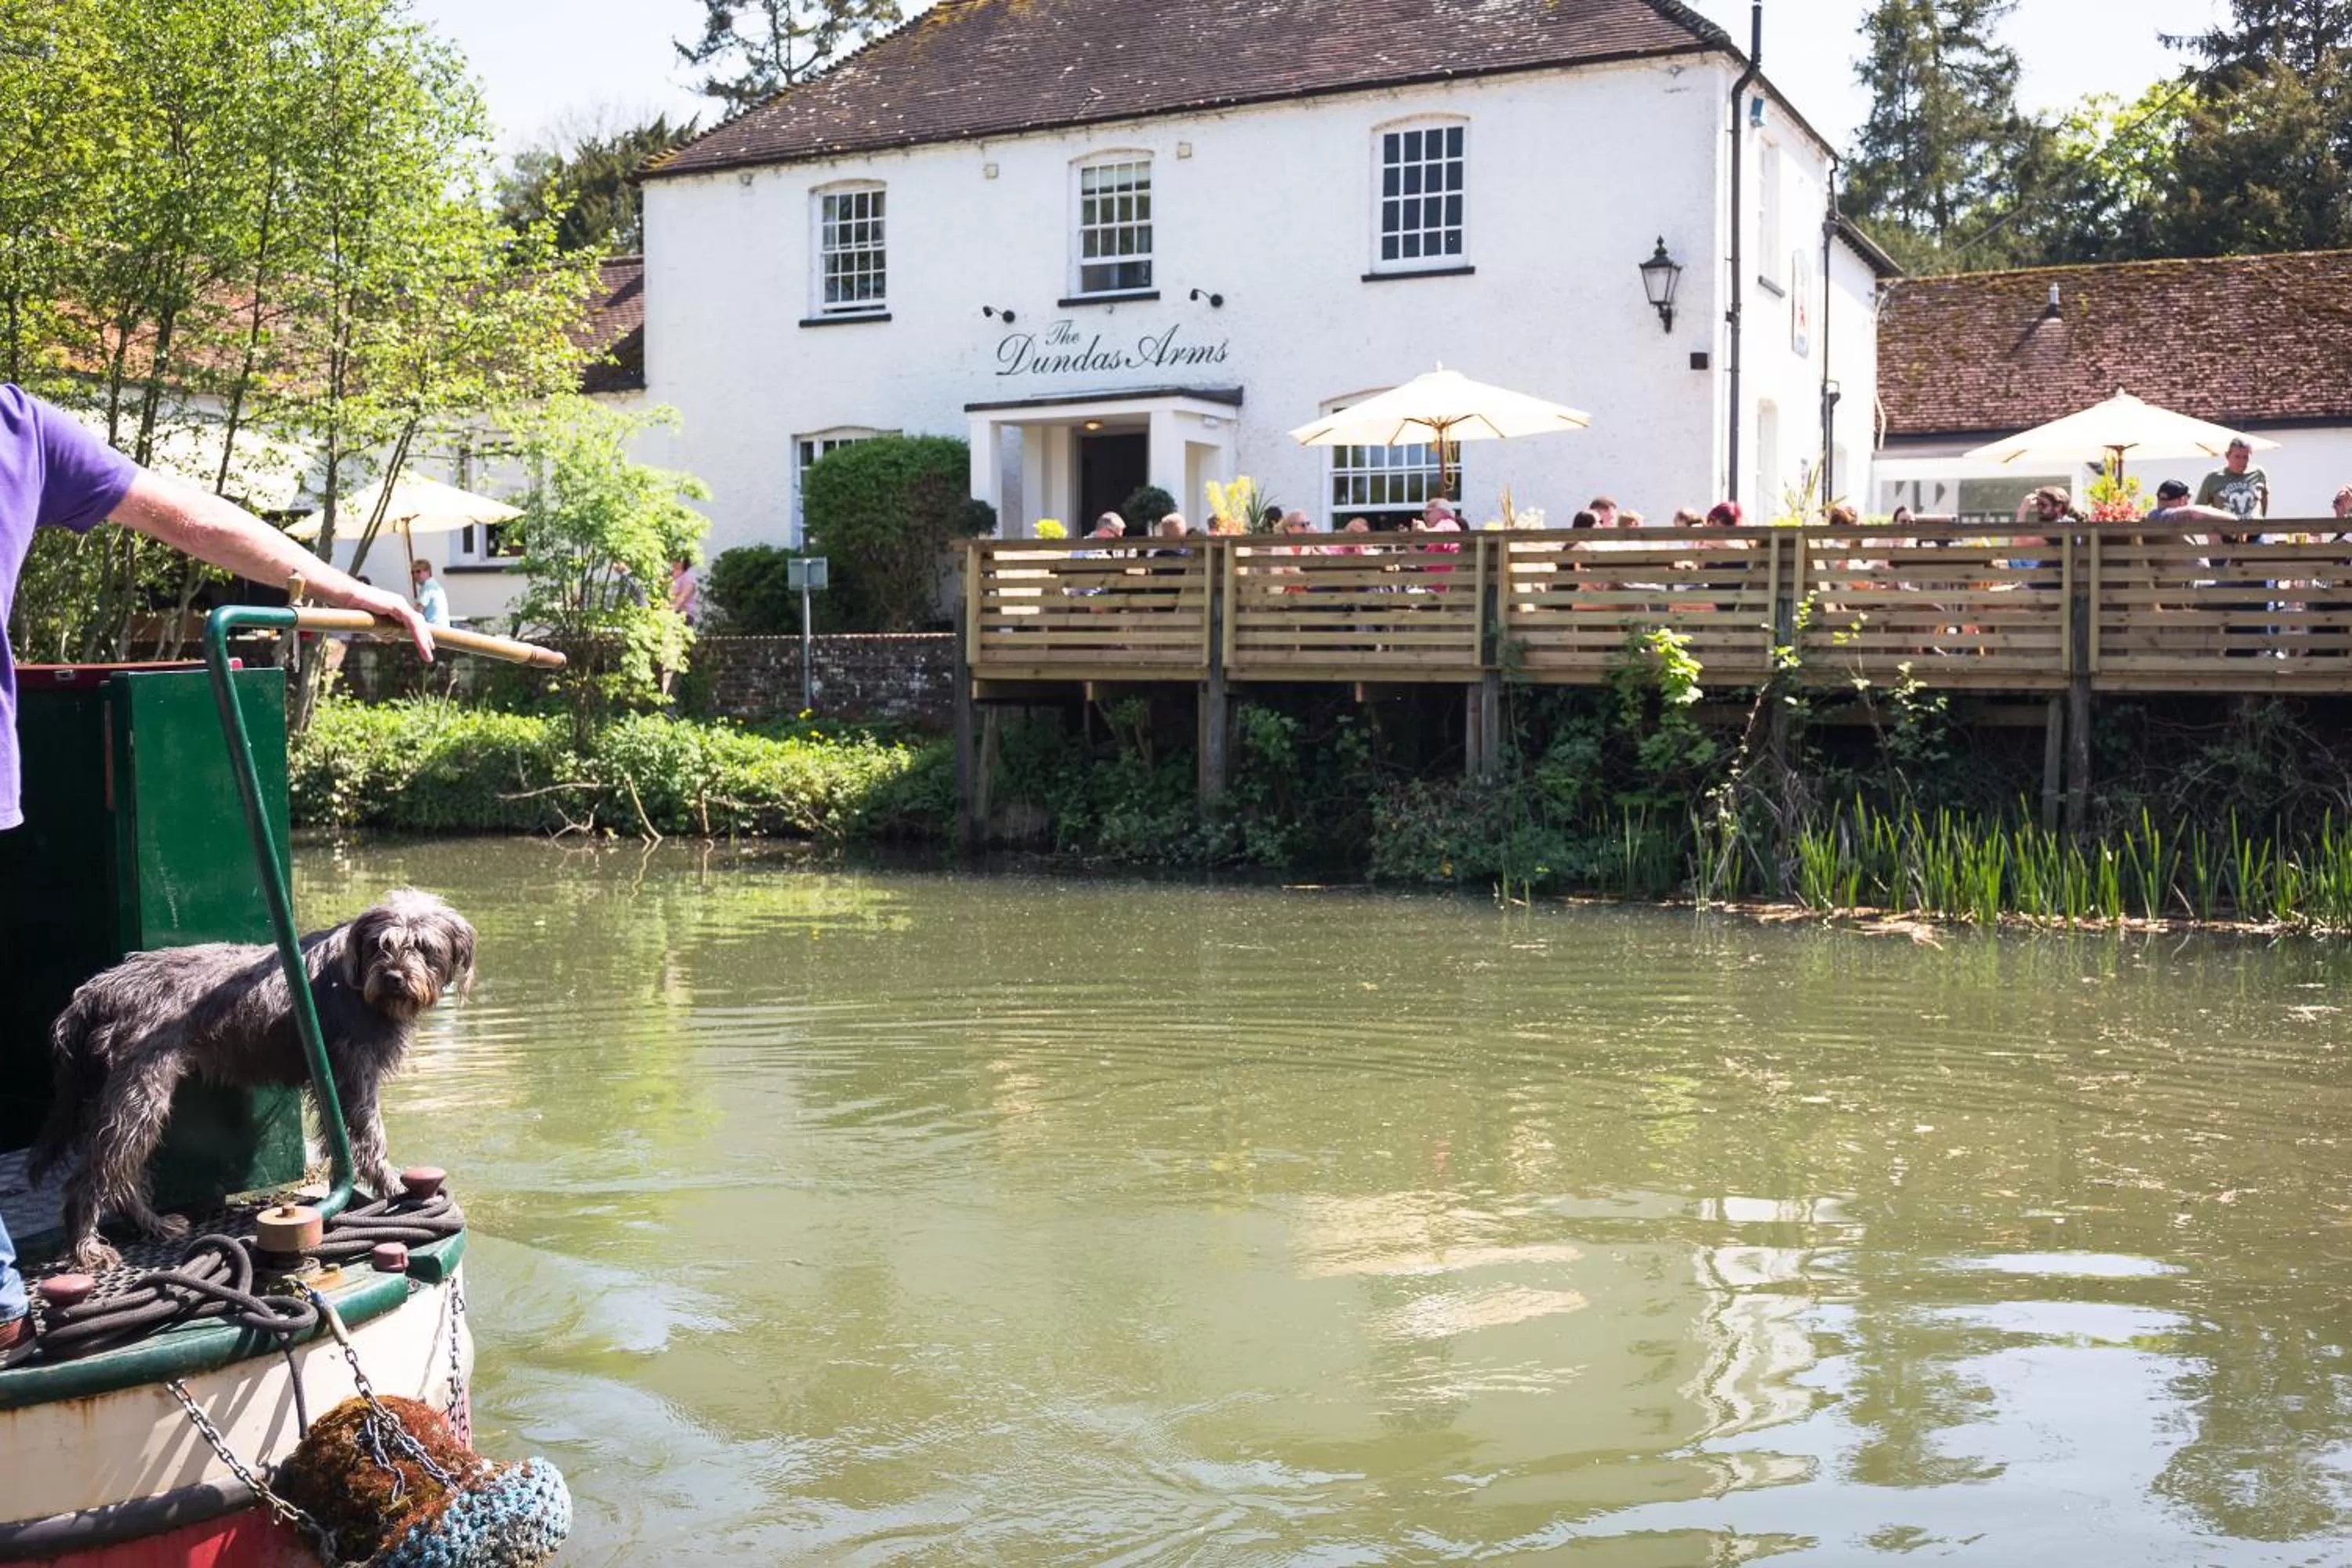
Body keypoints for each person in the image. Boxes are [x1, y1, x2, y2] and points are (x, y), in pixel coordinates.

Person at [0, 383, 426, 1359]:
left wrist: (334, 586)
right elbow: (182, 513)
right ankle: (41, 1265)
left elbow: (189, 511)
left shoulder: (20, 424)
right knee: (125, 1106)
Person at [2195, 438, 2270, 534]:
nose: (2242, 462)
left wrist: (2261, 518)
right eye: (2237, 457)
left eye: (2245, 457)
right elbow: (2199, 510)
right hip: (2225, 537)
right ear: (2227, 456)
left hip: (2255, 535)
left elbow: (2265, 497)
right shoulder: (2213, 478)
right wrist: (2211, 533)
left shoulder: (2258, 473)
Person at [409, 557, 450, 627]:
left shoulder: (428, 587)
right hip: (441, 627)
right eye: (413, 573)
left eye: (418, 571)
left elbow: (418, 611)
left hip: (435, 628)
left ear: (428, 572)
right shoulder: (434, 585)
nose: (415, 575)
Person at [669, 557, 700, 625]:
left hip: (683, 616)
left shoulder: (689, 577)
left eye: (678, 558)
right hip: (667, 613)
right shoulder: (668, 575)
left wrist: (670, 613)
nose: (674, 560)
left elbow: (683, 597)